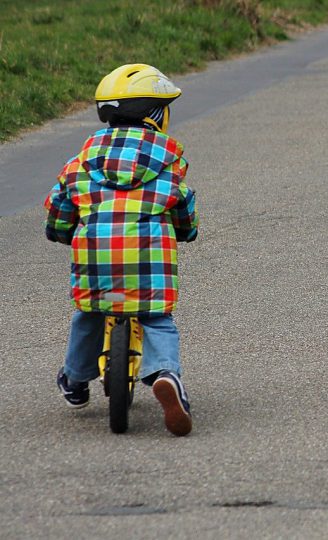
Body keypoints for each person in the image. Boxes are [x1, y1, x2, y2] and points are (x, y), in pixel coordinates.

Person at [44, 64, 198, 436]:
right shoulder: (169, 161)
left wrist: (61, 230)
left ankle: (77, 379)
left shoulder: (81, 160)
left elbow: (59, 204)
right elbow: (183, 204)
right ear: (155, 115)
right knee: (156, 318)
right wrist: (185, 229)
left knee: (89, 312)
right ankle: (164, 374)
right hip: (149, 260)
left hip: (95, 257)